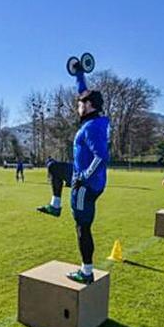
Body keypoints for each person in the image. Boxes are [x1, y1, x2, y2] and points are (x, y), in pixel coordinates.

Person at [66, 66, 109, 285]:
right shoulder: (93, 121)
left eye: (80, 104)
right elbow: (83, 93)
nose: (77, 106)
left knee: (82, 227)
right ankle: (55, 205)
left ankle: (87, 271)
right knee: (56, 168)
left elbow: (101, 156)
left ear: (89, 106)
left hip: (85, 185)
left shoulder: (91, 128)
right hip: (90, 182)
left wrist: (83, 176)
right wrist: (80, 75)